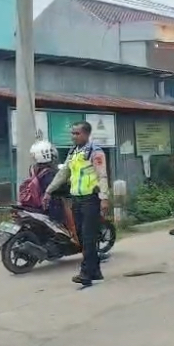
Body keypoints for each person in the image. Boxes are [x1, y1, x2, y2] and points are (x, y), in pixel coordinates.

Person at [43, 121, 110, 286]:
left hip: (91, 200)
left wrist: (104, 198)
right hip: (77, 200)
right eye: (72, 133)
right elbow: (63, 173)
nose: (74, 136)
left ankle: (86, 273)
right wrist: (49, 191)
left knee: (88, 237)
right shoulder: (73, 152)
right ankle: (95, 271)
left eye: (77, 133)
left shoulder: (95, 152)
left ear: (86, 134)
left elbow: (102, 175)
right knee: (81, 237)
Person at [28, 140, 64, 224]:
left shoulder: (34, 169)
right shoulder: (50, 172)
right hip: (51, 206)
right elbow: (57, 188)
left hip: (39, 203)